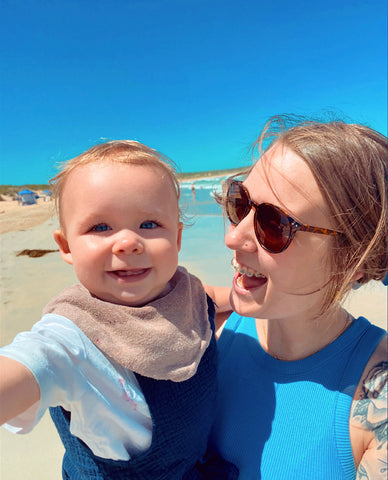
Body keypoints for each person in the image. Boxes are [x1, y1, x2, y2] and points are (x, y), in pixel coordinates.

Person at [0, 140, 237, 480]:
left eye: (150, 224)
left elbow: (210, 297)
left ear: (178, 239)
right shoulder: (70, 340)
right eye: (100, 227)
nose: (128, 242)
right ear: (66, 247)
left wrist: (247, 299)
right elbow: (24, 366)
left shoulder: (186, 293)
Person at [209, 115, 387, 479]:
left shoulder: (377, 403)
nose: (233, 237)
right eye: (240, 203)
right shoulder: (205, 329)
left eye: (274, 224)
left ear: (354, 261)